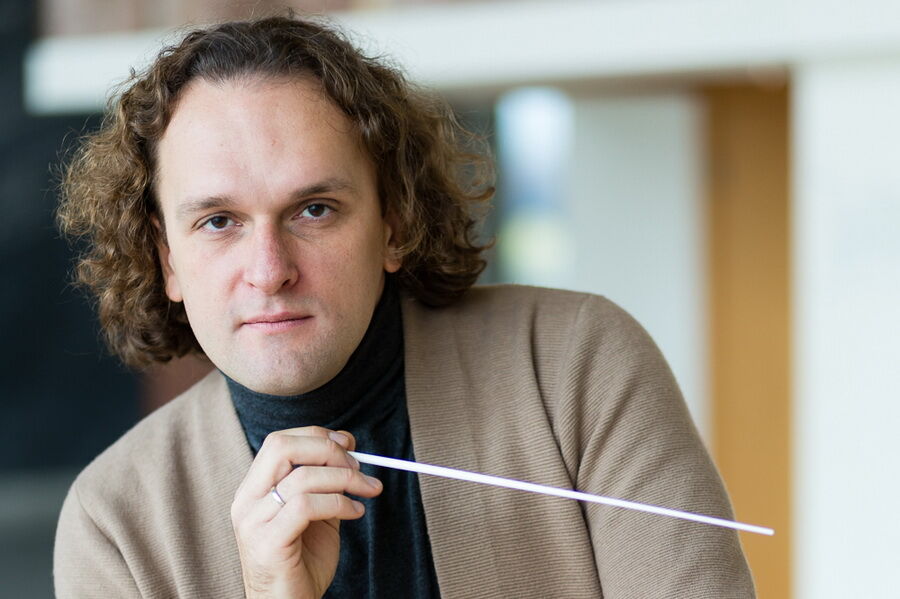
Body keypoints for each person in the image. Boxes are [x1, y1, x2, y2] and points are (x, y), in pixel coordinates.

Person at [53, 15, 755, 599]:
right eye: (218, 222)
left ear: (393, 221)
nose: (269, 271)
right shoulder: (114, 523)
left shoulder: (576, 365)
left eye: (314, 209)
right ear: (168, 258)